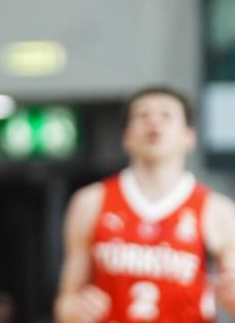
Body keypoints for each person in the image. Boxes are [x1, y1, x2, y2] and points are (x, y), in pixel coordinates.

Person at [54, 87, 235, 322]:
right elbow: (65, 303)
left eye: (166, 115)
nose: (154, 123)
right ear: (126, 137)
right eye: (142, 115)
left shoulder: (217, 209)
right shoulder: (90, 202)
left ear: (189, 137)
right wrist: (73, 310)